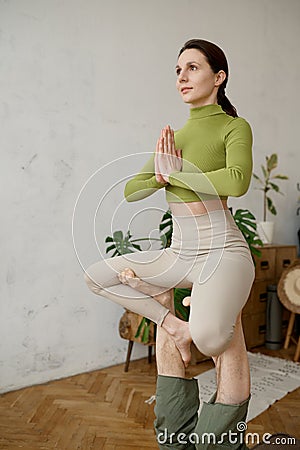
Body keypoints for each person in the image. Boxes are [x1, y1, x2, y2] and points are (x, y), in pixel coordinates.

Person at [84, 38, 255, 448]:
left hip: (222, 251)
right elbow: (132, 190)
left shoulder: (235, 126)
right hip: (179, 252)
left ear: (219, 76)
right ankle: (172, 324)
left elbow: (237, 181)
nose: (182, 76)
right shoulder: (172, 136)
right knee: (96, 277)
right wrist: (161, 174)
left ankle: (209, 316)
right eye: (178, 70)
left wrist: (175, 174)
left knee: (213, 339)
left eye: (192, 68)